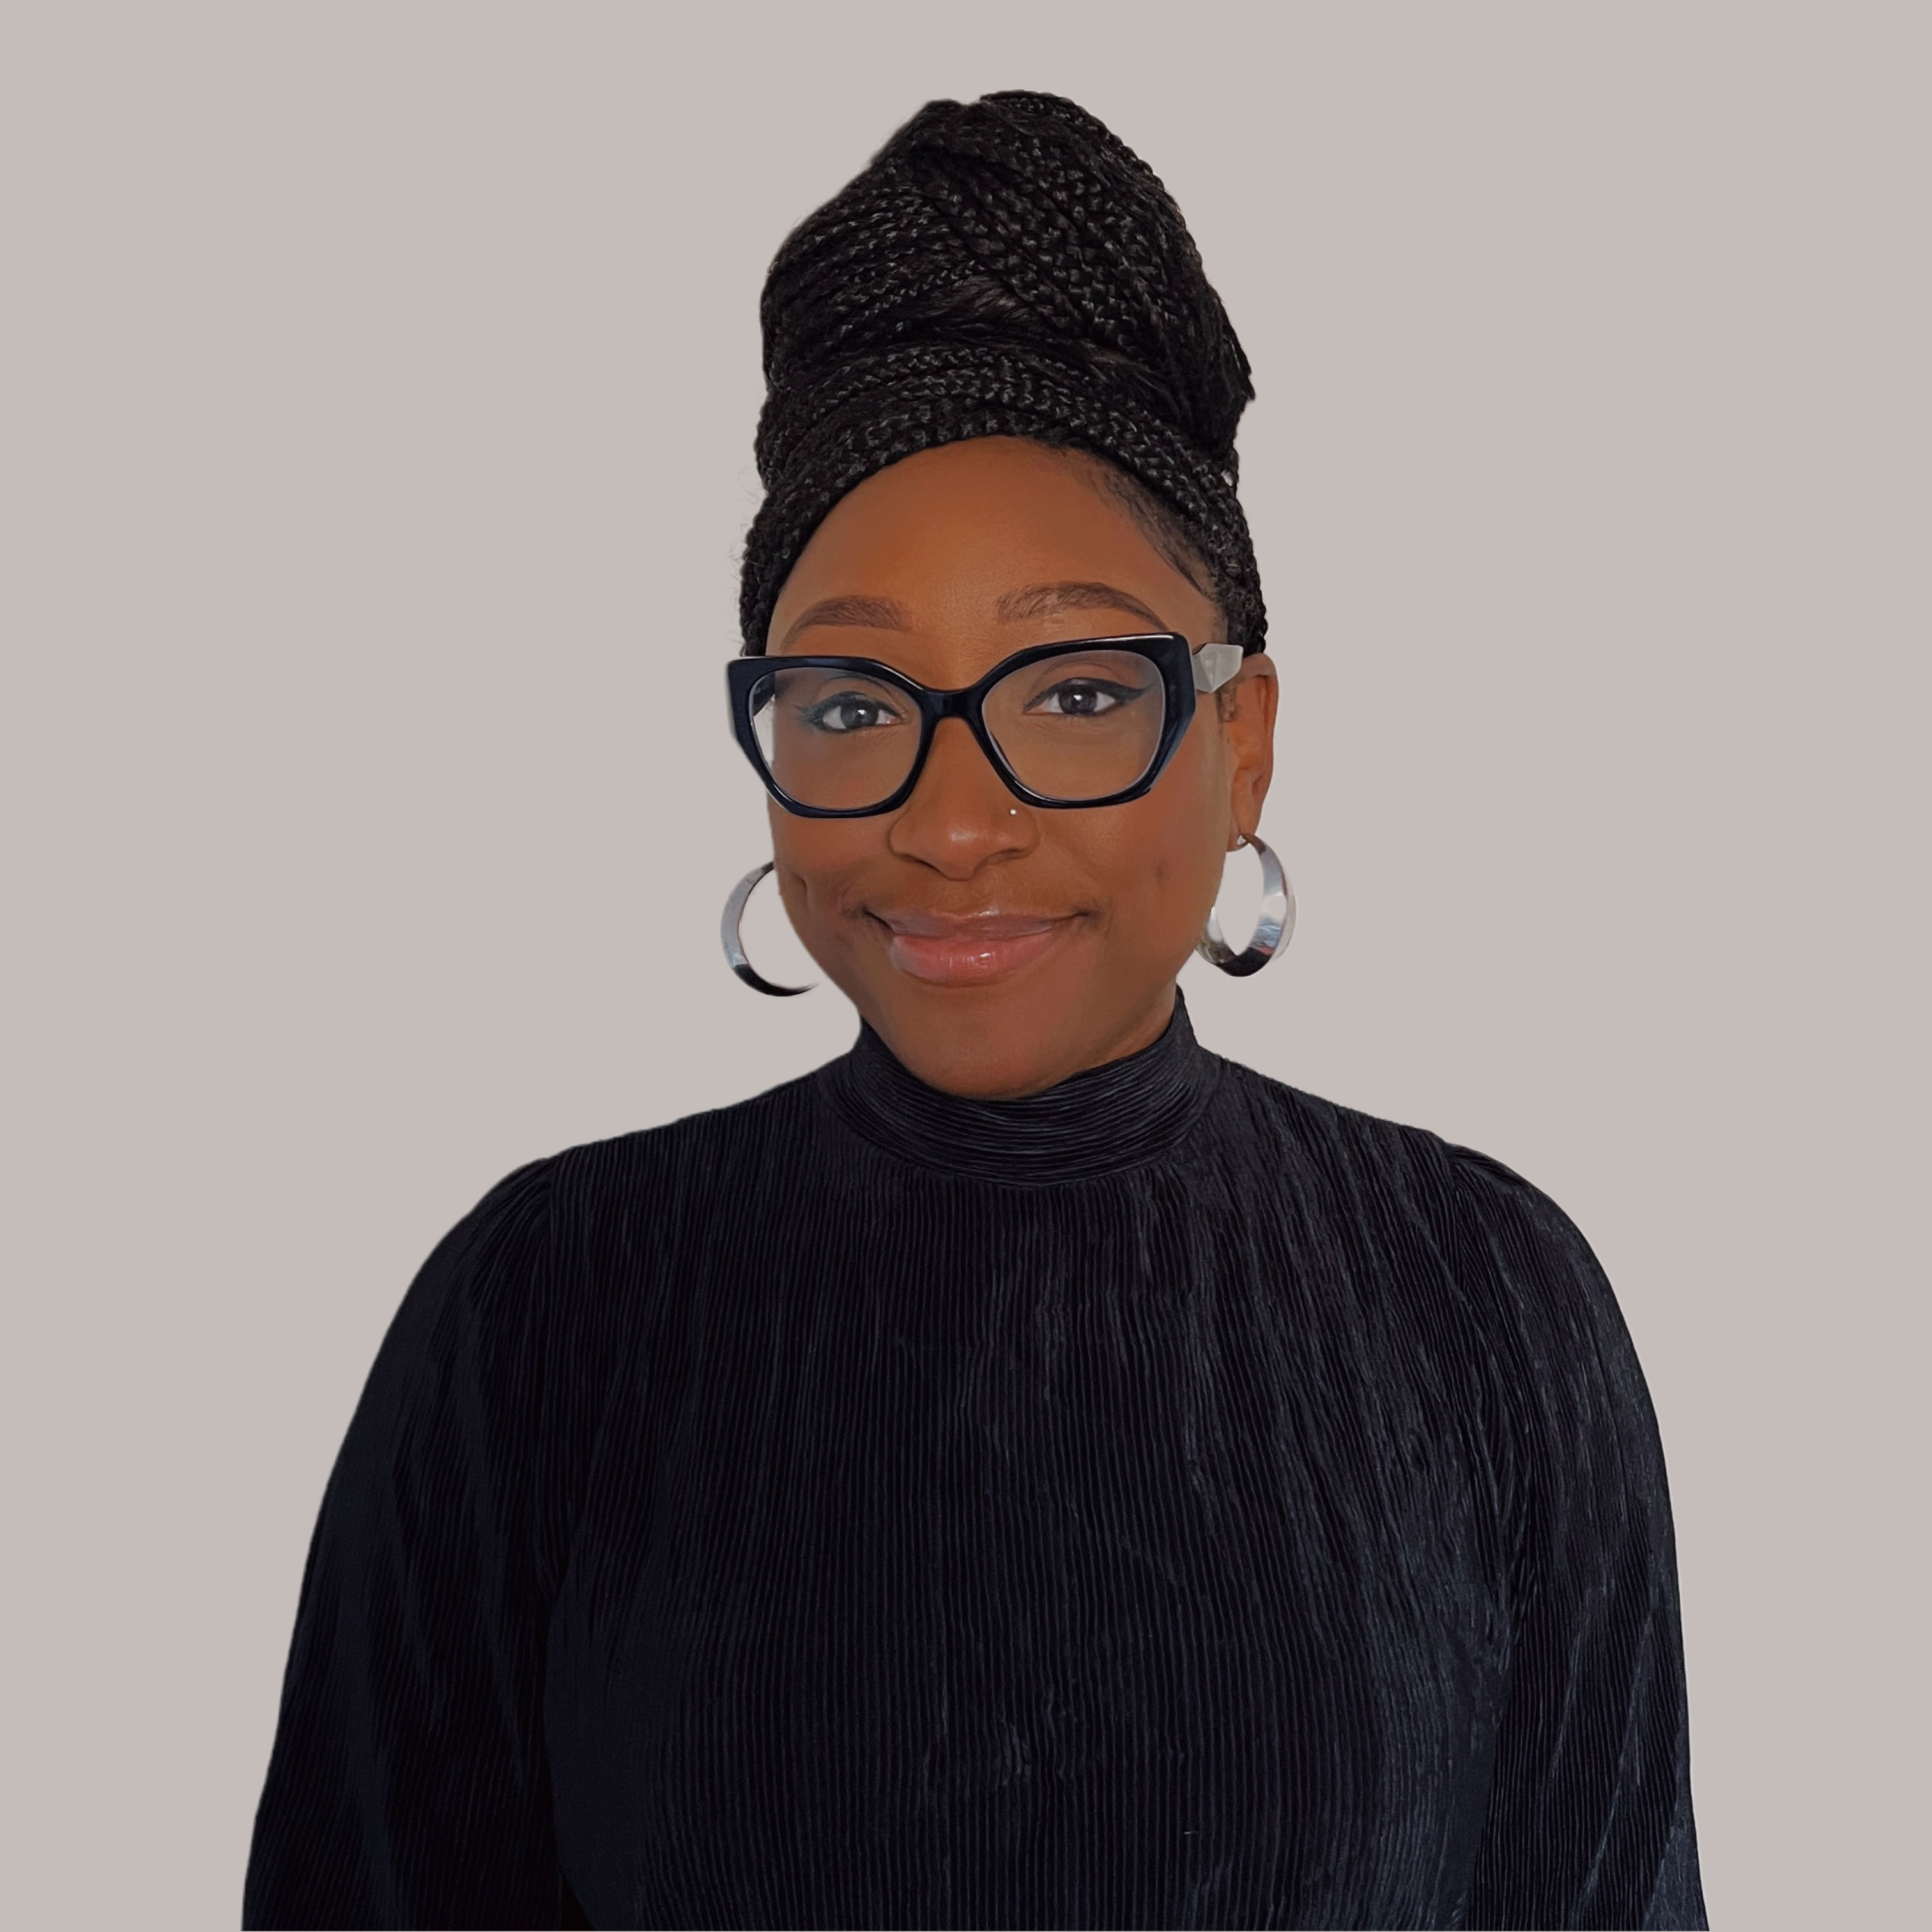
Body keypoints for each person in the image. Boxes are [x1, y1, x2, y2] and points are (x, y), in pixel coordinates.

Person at [243, 91, 1704, 1931]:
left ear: (1240, 745)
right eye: (853, 704)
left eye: (1076, 693)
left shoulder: (1481, 1302)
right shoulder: (544, 1313)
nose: (950, 822)